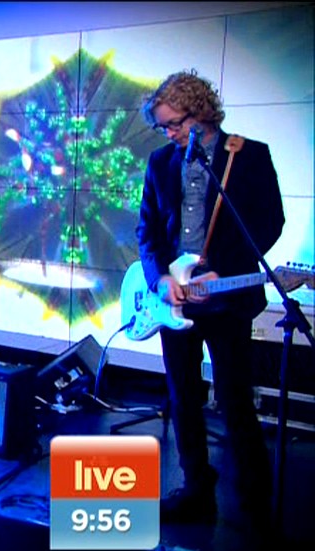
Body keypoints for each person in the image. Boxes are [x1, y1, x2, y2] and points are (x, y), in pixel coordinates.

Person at [137, 70, 285, 527]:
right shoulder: (160, 162)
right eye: (162, 126)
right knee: (183, 398)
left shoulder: (248, 155)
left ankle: (254, 496)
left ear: (199, 111)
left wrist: (225, 266)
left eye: (174, 123)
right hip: (176, 300)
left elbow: (270, 223)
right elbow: (147, 230)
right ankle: (196, 488)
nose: (169, 133)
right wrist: (161, 279)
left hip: (226, 297)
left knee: (235, 398)